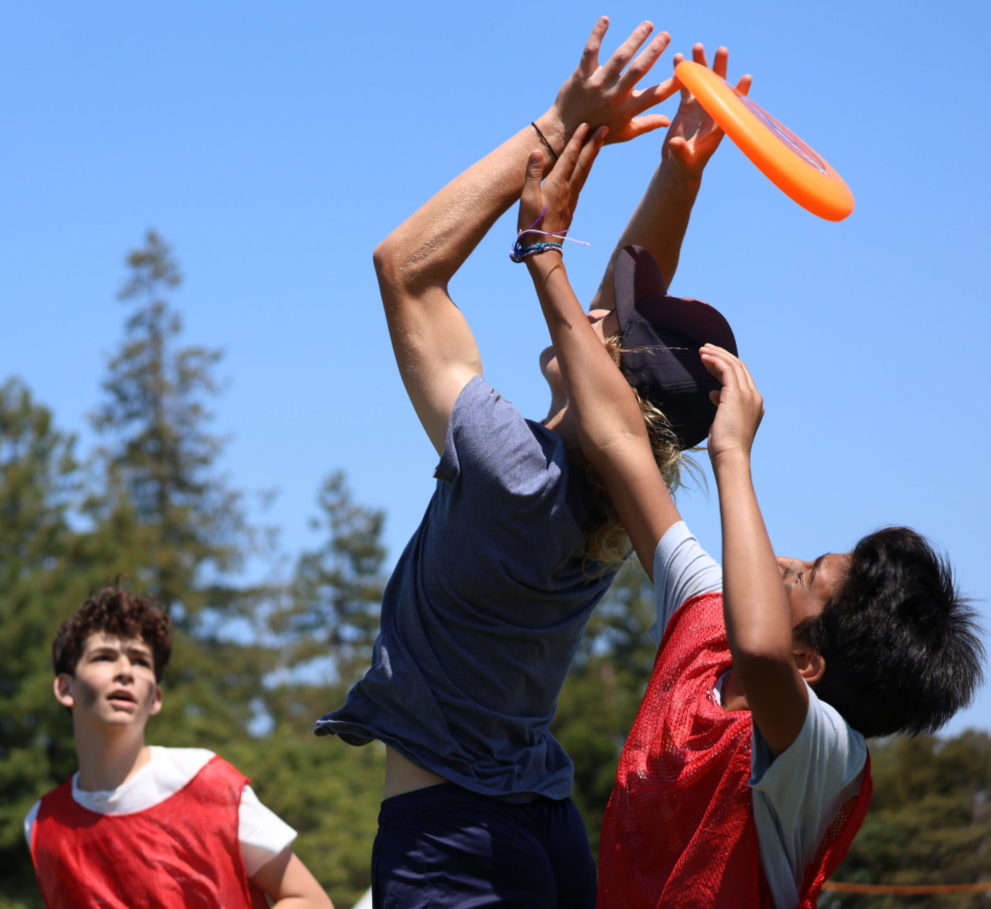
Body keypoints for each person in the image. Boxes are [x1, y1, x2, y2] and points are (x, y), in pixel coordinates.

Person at [514, 57, 986, 909]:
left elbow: (759, 649)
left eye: (802, 578)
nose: (781, 561)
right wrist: (659, 188)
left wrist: (733, 454)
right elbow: (619, 437)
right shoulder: (704, 619)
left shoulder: (825, 757)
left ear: (812, 664)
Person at [313, 18, 723, 909]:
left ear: (603, 373)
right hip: (544, 822)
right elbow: (620, 309)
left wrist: (559, 120)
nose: (595, 314)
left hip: (451, 843)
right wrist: (675, 179)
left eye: (608, 330)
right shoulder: (617, 502)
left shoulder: (512, 470)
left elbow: (405, 268)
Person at [25, 586, 334, 909]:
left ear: (155, 698)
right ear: (65, 688)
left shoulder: (207, 784)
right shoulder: (41, 824)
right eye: (104, 657)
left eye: (140, 661)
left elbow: (309, 900)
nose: (125, 671)